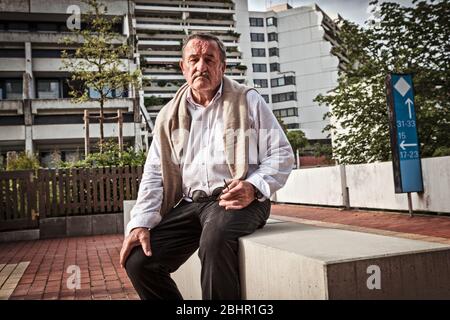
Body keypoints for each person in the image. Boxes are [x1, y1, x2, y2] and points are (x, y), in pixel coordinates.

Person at [120, 33, 294, 300]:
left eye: (209, 59)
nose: (201, 66)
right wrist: (140, 223)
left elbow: (282, 154)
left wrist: (253, 186)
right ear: (183, 67)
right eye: (194, 59)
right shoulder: (168, 115)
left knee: (213, 243)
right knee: (139, 261)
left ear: (221, 67)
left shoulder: (247, 100)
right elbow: (154, 173)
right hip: (190, 204)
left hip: (239, 198)